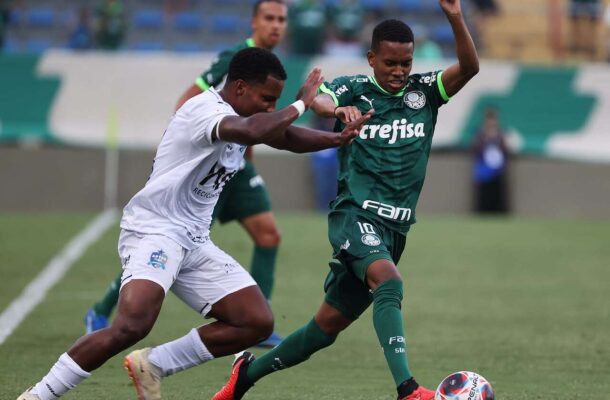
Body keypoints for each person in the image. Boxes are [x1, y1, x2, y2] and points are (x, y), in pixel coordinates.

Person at [16, 48, 371, 400]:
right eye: (266, 99)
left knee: (256, 321)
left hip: (193, 239)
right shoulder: (205, 110)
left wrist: (336, 139)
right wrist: (300, 105)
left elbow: (283, 136)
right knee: (131, 324)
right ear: (240, 88)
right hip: (155, 230)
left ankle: (153, 365)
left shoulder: (243, 115)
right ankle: (38, 396)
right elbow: (254, 131)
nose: (270, 107)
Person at [211, 2, 480, 400]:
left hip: (395, 229)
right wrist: (337, 109)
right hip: (354, 216)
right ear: (372, 58)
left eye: (405, 63)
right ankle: (408, 390)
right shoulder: (353, 89)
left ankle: (245, 376)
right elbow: (319, 99)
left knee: (324, 330)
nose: (399, 71)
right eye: (390, 62)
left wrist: (455, 16)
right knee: (389, 283)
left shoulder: (425, 93)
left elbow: (470, 68)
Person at [85, 0, 288, 348]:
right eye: (269, 18)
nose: (276, 26)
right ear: (254, 21)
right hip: (208, 175)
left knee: (268, 235)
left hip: (241, 171)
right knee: (171, 244)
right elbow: (188, 100)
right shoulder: (234, 59)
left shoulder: (271, 67)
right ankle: (102, 308)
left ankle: (262, 323)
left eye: (282, 19)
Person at [472, 107, 509, 214]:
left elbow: (505, 151)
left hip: (498, 172)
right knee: (484, 196)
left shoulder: (500, 135)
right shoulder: (481, 135)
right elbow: (476, 150)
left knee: (497, 196)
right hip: (484, 172)